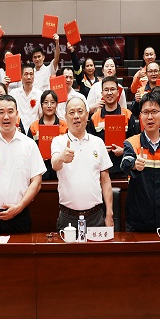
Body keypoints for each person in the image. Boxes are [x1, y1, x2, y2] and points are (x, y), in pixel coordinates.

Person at [0, 95, 45, 234]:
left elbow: (37, 182)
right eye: (1, 112)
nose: (6, 117)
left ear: (17, 114)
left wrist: (19, 207)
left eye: (10, 111)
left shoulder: (29, 144)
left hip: (20, 215)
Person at [120, 91, 160, 232]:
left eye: (154, 112)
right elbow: (125, 163)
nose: (150, 117)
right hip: (138, 222)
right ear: (140, 116)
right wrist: (134, 165)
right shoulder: (132, 143)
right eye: (145, 112)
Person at [50, 96, 114, 230]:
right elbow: (55, 164)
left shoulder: (98, 143)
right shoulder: (58, 141)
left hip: (95, 216)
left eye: (80, 111)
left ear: (87, 115)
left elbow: (106, 180)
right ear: (65, 117)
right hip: (68, 217)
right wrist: (62, 157)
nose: (76, 116)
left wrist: (109, 213)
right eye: (71, 112)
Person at [10, 62, 41, 130]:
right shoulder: (13, 93)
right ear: (21, 76)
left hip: (34, 130)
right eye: (26, 74)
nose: (29, 77)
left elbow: (41, 115)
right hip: (17, 129)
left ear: (34, 76)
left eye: (31, 74)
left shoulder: (39, 94)